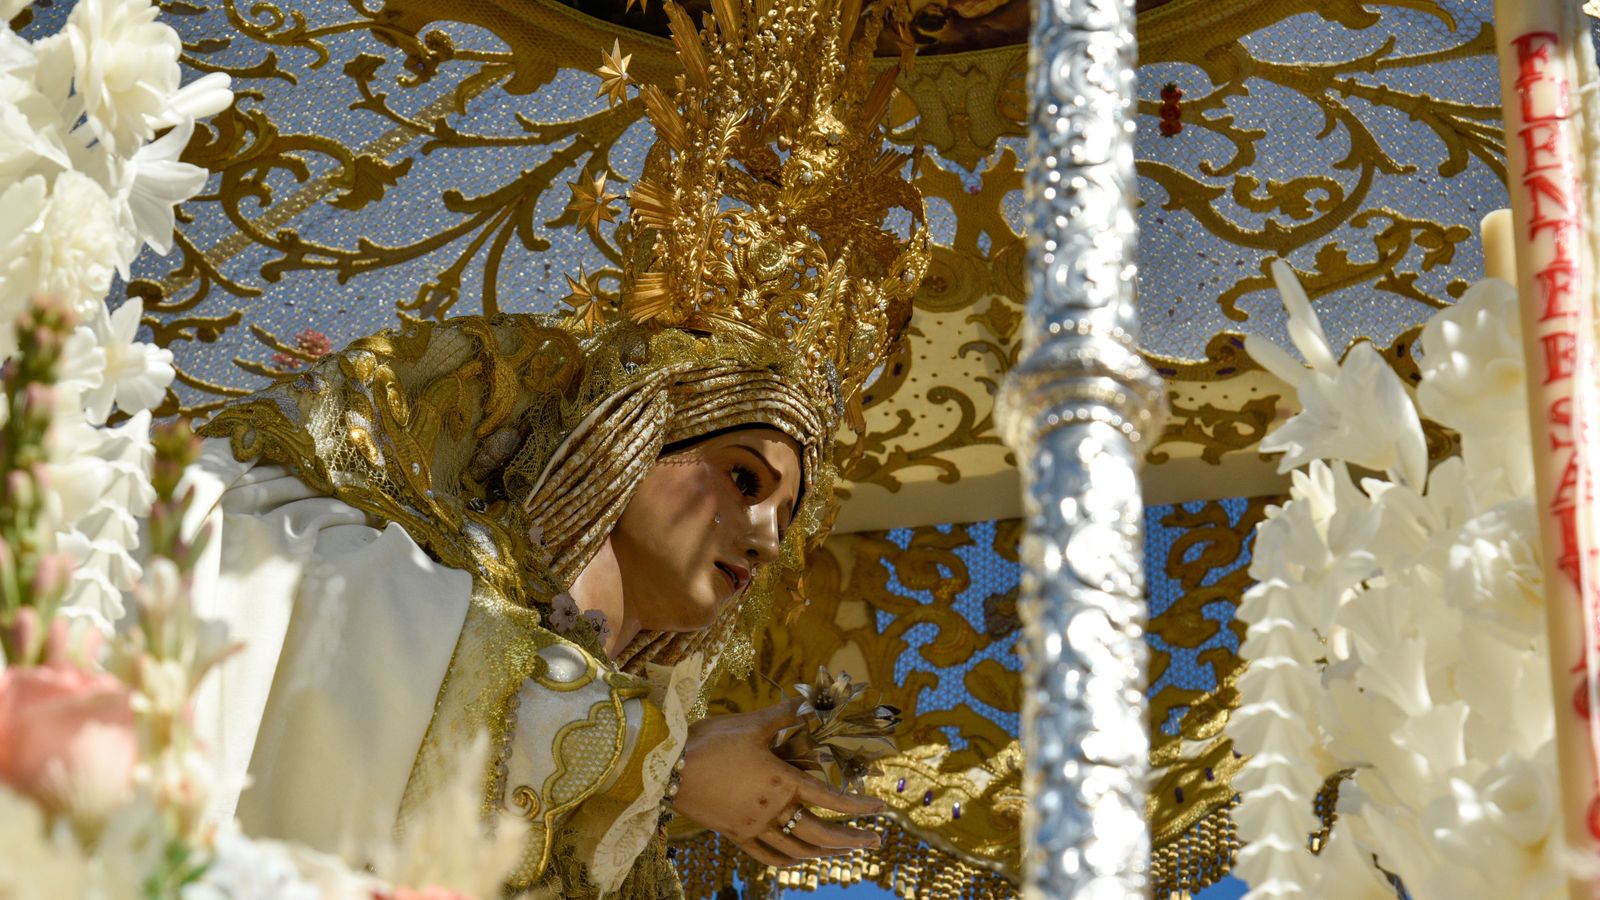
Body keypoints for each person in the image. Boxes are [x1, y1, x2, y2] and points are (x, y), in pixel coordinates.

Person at [175, 0, 930, 895]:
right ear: (625, 445)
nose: (767, 535)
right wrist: (661, 762)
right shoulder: (393, 574)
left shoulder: (626, 832)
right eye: (740, 476)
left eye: (786, 513)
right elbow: (274, 597)